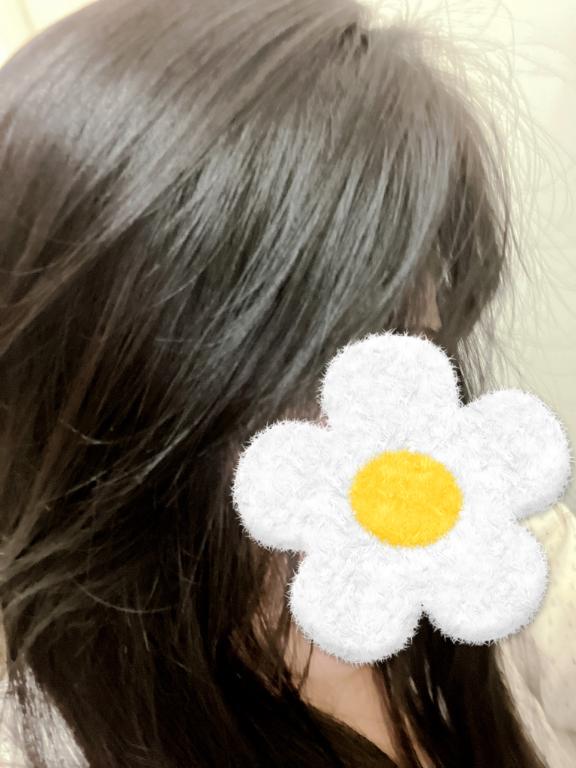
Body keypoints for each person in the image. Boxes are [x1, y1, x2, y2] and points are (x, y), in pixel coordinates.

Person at [0, 0, 574, 766]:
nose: (404, 406)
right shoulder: (41, 738)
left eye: (415, 336)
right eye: (319, 364)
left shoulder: (506, 553)